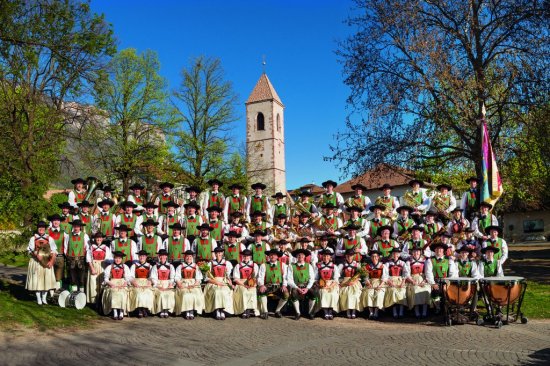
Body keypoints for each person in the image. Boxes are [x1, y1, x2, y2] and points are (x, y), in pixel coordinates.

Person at [26, 221, 57, 305]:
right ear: (37, 228)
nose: (41, 228)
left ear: (45, 229)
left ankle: (44, 298)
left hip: (47, 261)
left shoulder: (49, 238)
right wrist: (36, 255)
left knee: (46, 280)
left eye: (43, 227)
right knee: (37, 280)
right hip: (36, 262)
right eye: (40, 227)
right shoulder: (33, 238)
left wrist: (51, 261)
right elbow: (29, 250)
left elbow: (54, 251)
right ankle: (38, 298)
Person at [426, 242, 459, 314]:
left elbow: (452, 273)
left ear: (443, 250)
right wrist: (433, 283)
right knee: (435, 291)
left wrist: (449, 282)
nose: (439, 250)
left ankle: (449, 307)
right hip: (435, 280)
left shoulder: (449, 259)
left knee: (450, 291)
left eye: (440, 249)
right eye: (437, 249)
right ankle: (437, 307)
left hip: (446, 281)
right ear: (434, 250)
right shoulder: (430, 260)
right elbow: (429, 273)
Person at [257, 249, 289, 319]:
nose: (272, 256)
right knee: (262, 291)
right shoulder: (264, 265)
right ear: (268, 256)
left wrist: (284, 285)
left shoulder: (283, 265)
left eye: (274, 255)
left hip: (279, 286)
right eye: (271, 255)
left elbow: (285, 276)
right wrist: (261, 285)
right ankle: (265, 312)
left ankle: (277, 311)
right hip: (268, 285)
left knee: (286, 295)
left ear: (277, 257)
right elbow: (260, 277)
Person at [204, 247, 234, 320]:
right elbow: (206, 278)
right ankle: (217, 310)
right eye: (216, 253)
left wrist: (230, 283)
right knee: (217, 291)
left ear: (222, 253)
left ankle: (223, 310)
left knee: (224, 291)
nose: (218, 254)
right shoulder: (210, 263)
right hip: (213, 282)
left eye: (220, 253)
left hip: (224, 282)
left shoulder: (227, 263)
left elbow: (228, 276)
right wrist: (216, 282)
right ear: (214, 254)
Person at [174, 250, 204, 319]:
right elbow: (177, 277)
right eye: (187, 256)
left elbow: (198, 279)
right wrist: (179, 284)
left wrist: (194, 285)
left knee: (195, 293)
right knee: (185, 294)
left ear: (192, 257)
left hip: (194, 284)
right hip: (183, 283)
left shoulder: (196, 266)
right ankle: (187, 310)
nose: (188, 258)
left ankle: (192, 311)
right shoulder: (180, 266)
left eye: (190, 256)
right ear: (184, 257)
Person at [287, 248, 316, 320]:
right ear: (296, 257)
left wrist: (307, 288)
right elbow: (289, 279)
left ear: (304, 256)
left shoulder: (309, 266)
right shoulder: (291, 266)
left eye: (302, 255)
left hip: (307, 286)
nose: (300, 256)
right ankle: (298, 313)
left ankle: (310, 312)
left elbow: (312, 279)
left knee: (313, 293)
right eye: (299, 255)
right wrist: (297, 288)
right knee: (293, 293)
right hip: (296, 286)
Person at [102, 251, 131, 320]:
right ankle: (114, 311)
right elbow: (106, 279)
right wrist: (111, 284)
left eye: (119, 258)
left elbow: (128, 278)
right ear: (114, 258)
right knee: (114, 293)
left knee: (122, 293)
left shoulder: (125, 267)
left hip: (122, 283)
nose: (117, 260)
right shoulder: (110, 267)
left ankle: (121, 312)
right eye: (116, 258)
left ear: (121, 259)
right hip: (112, 283)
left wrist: (124, 284)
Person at [63, 219, 90, 292]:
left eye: (78, 226)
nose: (76, 228)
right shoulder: (68, 236)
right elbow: (65, 248)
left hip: (81, 260)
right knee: (72, 279)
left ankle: (81, 296)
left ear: (80, 227)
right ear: (73, 226)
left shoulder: (85, 236)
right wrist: (69, 257)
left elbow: (88, 248)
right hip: (71, 260)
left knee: (81, 279)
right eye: (75, 226)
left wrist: (85, 258)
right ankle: (74, 296)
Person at [232, 249, 260, 319]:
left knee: (252, 291)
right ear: (242, 256)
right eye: (244, 256)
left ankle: (249, 310)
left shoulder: (254, 265)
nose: (246, 257)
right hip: (241, 283)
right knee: (244, 291)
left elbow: (257, 277)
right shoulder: (238, 265)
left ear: (250, 256)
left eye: (247, 256)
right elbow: (236, 278)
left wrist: (254, 284)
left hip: (252, 283)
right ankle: (244, 310)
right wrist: (244, 285)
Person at [86, 232, 112, 305]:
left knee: (102, 283)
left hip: (103, 266)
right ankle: (94, 301)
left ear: (102, 239)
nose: (99, 239)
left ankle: (102, 300)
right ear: (95, 239)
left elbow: (108, 259)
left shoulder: (106, 248)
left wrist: (107, 269)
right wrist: (92, 268)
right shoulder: (91, 247)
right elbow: (89, 260)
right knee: (93, 283)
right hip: (94, 266)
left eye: (100, 238)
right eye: (97, 238)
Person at [406, 245, 431, 318]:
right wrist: (413, 281)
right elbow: (407, 274)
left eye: (418, 251)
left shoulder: (425, 260)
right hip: (413, 279)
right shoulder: (409, 261)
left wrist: (425, 280)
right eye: (414, 251)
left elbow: (428, 272)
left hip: (423, 279)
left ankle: (424, 312)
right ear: (412, 252)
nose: (416, 253)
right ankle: (417, 312)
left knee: (427, 289)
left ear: (420, 252)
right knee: (415, 290)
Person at [384, 247, 410, 319]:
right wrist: (389, 282)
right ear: (392, 254)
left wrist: (403, 282)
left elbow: (406, 273)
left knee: (402, 292)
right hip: (391, 280)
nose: (395, 255)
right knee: (393, 291)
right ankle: (394, 312)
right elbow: (385, 275)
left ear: (399, 255)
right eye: (394, 253)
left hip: (400, 280)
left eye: (397, 253)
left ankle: (401, 312)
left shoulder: (402, 263)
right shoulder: (388, 264)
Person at [338, 249, 364, 319]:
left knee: (356, 294)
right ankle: (348, 311)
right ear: (345, 256)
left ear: (353, 256)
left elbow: (359, 275)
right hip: (345, 282)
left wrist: (354, 281)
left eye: (351, 255)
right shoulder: (342, 264)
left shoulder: (357, 264)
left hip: (354, 281)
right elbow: (337, 275)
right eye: (348, 255)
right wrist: (342, 282)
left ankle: (354, 311)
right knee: (346, 294)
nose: (349, 257)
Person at [361, 250, 387, 319]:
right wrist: (368, 283)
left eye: (375, 256)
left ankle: (376, 312)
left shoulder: (383, 266)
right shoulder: (367, 266)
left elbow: (385, 277)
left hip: (379, 283)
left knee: (379, 294)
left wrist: (380, 285)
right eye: (372, 256)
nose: (374, 258)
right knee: (368, 293)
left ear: (378, 257)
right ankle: (371, 312)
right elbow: (366, 277)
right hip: (371, 283)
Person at [128, 250, 154, 318]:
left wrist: (149, 282)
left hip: (146, 283)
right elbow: (130, 276)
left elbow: (152, 276)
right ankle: (139, 309)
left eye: (143, 256)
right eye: (140, 256)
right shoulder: (134, 266)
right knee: (138, 292)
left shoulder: (150, 266)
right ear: (138, 257)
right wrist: (134, 282)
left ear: (146, 257)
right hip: (137, 282)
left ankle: (145, 309)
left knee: (148, 292)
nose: (142, 257)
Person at [150, 249, 176, 318]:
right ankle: (161, 310)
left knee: (169, 293)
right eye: (161, 256)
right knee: (161, 293)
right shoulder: (155, 266)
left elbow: (172, 277)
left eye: (164, 256)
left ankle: (166, 310)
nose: (162, 257)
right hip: (159, 284)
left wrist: (170, 284)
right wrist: (158, 286)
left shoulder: (171, 266)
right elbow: (153, 278)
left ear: (166, 256)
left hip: (167, 284)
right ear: (159, 256)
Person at [316, 249, 340, 320]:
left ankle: (330, 311)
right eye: (324, 256)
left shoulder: (334, 266)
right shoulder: (318, 266)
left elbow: (336, 279)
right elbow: (315, 278)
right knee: (323, 293)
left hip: (332, 284)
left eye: (327, 256)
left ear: (330, 257)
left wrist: (330, 286)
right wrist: (319, 285)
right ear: (322, 257)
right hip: (322, 284)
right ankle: (325, 312)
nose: (325, 257)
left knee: (333, 294)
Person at [47, 213, 67, 289]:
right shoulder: (47, 232)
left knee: (59, 277)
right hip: (49, 257)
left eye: (58, 220)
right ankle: (50, 293)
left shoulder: (64, 233)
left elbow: (67, 245)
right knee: (49, 275)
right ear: (51, 221)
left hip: (60, 257)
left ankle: (57, 293)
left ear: (60, 222)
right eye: (54, 220)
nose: (56, 222)